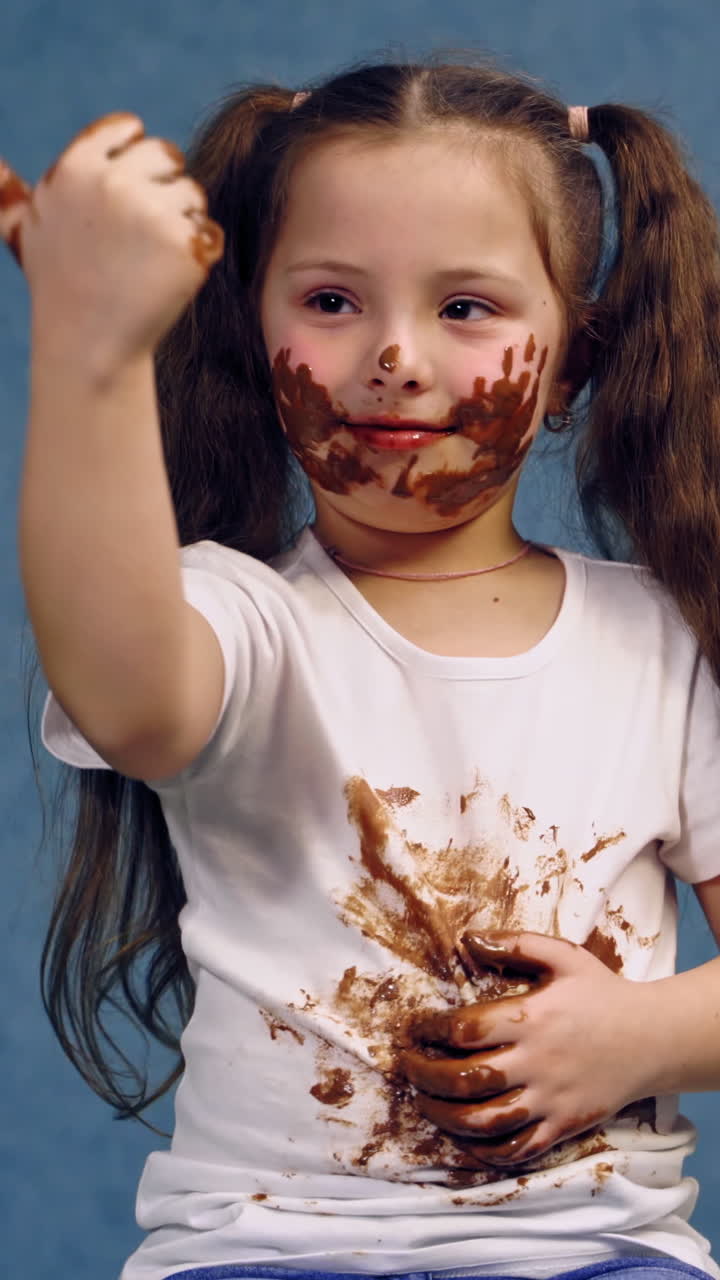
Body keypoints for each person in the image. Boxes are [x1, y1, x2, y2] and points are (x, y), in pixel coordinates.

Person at [3, 55, 720, 1280]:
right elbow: (129, 694)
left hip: (598, 1252)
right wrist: (93, 354)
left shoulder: (662, 642)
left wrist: (641, 1033)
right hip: (261, 1252)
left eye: (466, 308)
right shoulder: (239, 620)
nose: (394, 354)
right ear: (252, 328)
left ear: (574, 360)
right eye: (331, 300)